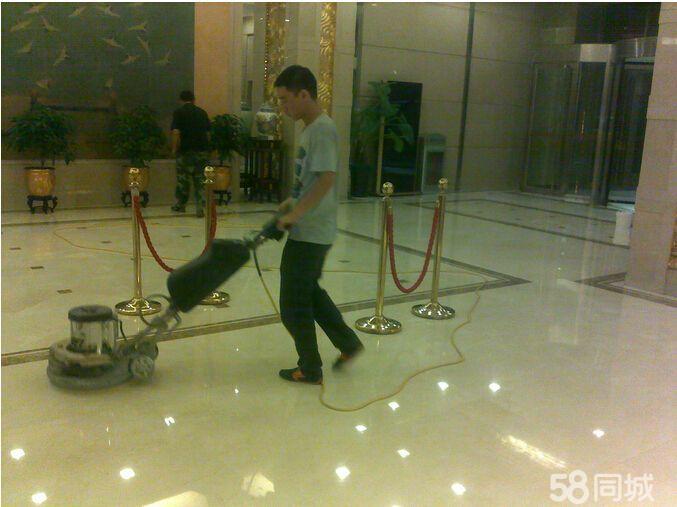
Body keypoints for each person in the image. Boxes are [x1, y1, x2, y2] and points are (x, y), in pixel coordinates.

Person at [274, 65, 364, 385]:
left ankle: (310, 368)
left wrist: (296, 215)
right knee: (309, 293)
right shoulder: (310, 129)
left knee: (292, 304)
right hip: (309, 228)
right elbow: (310, 179)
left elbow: (326, 179)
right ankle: (348, 344)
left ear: (304, 94)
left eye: (285, 99)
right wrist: (291, 203)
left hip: (311, 232)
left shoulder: (322, 129)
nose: (282, 107)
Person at [170, 90, 211, 217]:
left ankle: (181, 204)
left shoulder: (179, 112)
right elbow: (208, 133)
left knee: (183, 180)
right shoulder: (202, 112)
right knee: (200, 180)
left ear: (181, 100)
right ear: (194, 100)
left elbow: (176, 132)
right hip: (201, 151)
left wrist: (174, 149)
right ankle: (200, 206)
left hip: (185, 151)